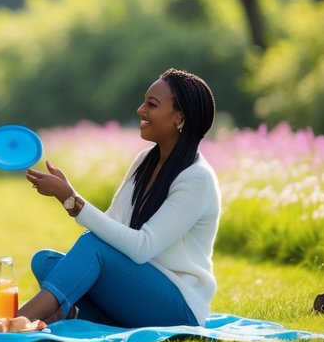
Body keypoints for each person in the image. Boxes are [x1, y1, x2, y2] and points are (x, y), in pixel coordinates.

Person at [18, 67, 220, 328]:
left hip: (179, 307)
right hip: (136, 290)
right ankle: (75, 315)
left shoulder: (196, 179)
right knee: (46, 262)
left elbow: (141, 247)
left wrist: (73, 202)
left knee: (89, 249)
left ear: (179, 117)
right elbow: (112, 229)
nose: (140, 110)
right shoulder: (144, 162)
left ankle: (14, 321)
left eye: (152, 104)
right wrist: (70, 198)